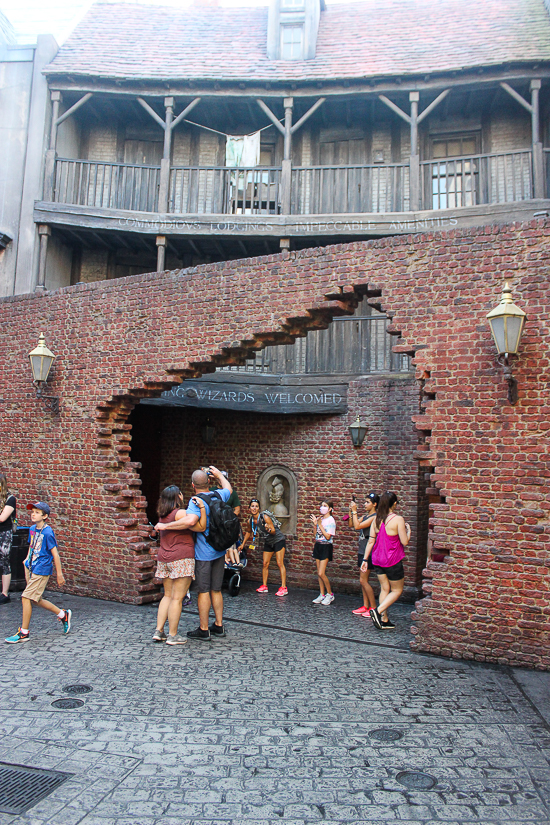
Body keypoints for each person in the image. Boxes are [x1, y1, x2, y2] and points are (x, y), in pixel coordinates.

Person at [157, 466, 231, 640]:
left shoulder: (195, 501)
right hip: (219, 550)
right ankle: (219, 625)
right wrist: (219, 475)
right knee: (217, 590)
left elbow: (190, 520)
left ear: (192, 485)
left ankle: (204, 628)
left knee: (204, 591)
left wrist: (165, 526)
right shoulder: (218, 494)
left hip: (203, 553)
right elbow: (228, 488)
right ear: (209, 482)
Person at [5, 502, 71, 643]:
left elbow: (55, 554)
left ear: (45, 516)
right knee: (36, 599)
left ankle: (24, 632)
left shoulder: (48, 532)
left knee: (25, 597)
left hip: (42, 569)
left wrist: (59, 574)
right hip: (32, 567)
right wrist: (26, 560)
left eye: (36, 512)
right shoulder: (32, 529)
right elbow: (32, 546)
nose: (33, 514)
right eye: (32, 512)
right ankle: (62, 614)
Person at [152, 486, 206, 645]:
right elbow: (192, 521)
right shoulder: (179, 513)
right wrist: (201, 508)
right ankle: (173, 635)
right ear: (178, 497)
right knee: (177, 598)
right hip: (181, 558)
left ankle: (159, 631)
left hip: (164, 558)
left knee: (167, 596)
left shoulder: (163, 515)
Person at [363, 492, 411, 630]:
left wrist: (365, 559)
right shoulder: (398, 519)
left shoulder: (376, 519)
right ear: (394, 504)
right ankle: (378, 612)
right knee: (397, 590)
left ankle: (384, 619)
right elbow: (404, 542)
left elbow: (371, 540)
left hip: (377, 559)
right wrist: (409, 532)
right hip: (392, 560)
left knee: (385, 588)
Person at [247, 502, 288, 596]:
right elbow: (248, 532)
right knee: (265, 563)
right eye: (252, 506)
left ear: (259, 509)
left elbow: (273, 531)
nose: (254, 508)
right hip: (268, 542)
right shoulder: (250, 521)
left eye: (256, 506)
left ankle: (284, 587)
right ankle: (264, 586)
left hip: (278, 540)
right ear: (249, 508)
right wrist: (243, 544)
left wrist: (268, 529)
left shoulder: (264, 517)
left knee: (279, 563)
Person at [349, 492, 379, 616]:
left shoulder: (375, 517)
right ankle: (365, 605)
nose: (365, 504)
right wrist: (351, 512)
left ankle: (373, 607)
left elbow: (357, 526)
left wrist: (355, 512)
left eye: (367, 502)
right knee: (363, 580)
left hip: (369, 552)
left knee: (363, 580)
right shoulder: (366, 516)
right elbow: (352, 524)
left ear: (374, 504)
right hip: (362, 550)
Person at [310, 500, 336, 605]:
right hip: (318, 545)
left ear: (330, 509)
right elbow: (315, 535)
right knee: (318, 573)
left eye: (325, 506)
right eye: (321, 505)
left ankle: (330, 594)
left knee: (322, 572)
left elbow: (328, 536)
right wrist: (315, 524)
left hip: (326, 546)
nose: (322, 507)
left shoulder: (331, 520)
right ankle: (322, 594)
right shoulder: (320, 519)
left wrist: (320, 525)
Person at [0, 473, 16, 604]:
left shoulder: (10, 499)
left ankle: (5, 594)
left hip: (4, 533)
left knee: (4, 562)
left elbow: (2, 518)